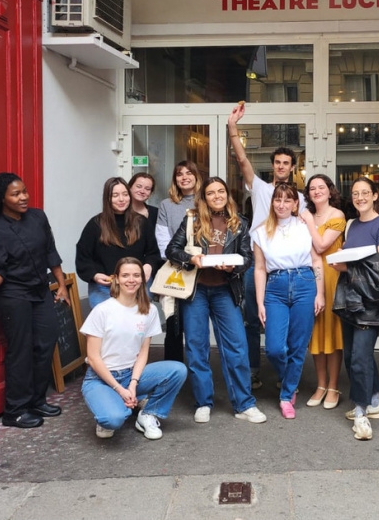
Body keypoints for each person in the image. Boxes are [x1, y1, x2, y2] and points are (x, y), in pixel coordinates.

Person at [0, 173, 68, 429]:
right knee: (21, 350)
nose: (23, 197)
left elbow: (51, 253)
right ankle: (15, 410)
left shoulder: (38, 217)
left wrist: (61, 285)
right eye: (16, 194)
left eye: (24, 191)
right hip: (13, 294)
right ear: (2, 199)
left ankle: (36, 400)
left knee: (46, 342)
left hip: (40, 290)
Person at [166, 177, 267, 425]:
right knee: (197, 346)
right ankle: (203, 402)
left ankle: (244, 403)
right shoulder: (192, 220)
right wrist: (192, 259)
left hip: (225, 290)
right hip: (196, 291)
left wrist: (232, 266)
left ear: (227, 194)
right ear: (204, 198)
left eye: (221, 191)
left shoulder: (240, 223)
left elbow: (246, 258)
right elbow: (172, 250)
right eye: (211, 193)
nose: (217, 196)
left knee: (236, 347)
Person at [228, 102, 306, 389]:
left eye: (286, 163)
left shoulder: (302, 200)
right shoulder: (260, 188)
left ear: (293, 167)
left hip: (287, 269)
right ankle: (253, 370)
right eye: (277, 163)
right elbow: (242, 160)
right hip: (257, 263)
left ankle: (285, 375)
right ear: (273, 166)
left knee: (283, 325)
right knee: (251, 318)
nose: (281, 166)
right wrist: (233, 128)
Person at [79, 257, 187, 440]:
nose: (131, 280)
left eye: (136, 275)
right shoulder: (102, 310)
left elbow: (143, 352)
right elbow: (93, 358)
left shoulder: (149, 310)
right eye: (126, 275)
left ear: (142, 279)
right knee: (114, 419)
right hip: (101, 378)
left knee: (178, 370)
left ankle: (148, 414)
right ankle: (113, 407)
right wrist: (121, 390)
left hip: (131, 373)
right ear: (117, 279)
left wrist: (133, 384)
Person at [252, 183, 325, 420]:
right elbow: (260, 269)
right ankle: (291, 380)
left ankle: (286, 395)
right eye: (277, 200)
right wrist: (260, 302)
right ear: (272, 202)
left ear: (296, 204)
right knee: (274, 348)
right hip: (275, 287)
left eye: (287, 200)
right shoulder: (261, 231)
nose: (281, 205)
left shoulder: (305, 226)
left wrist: (320, 293)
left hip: (305, 283)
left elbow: (316, 260)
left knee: (298, 346)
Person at [331, 177, 379, 440]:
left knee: (359, 357)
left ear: (375, 195)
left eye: (365, 193)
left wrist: (346, 267)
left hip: (369, 302)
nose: (360, 197)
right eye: (356, 194)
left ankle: (361, 412)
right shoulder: (351, 225)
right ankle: (375, 399)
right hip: (349, 299)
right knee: (353, 356)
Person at [76, 177, 160, 309]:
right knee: (107, 327)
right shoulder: (95, 224)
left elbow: (153, 253)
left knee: (137, 327)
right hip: (104, 288)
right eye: (115, 195)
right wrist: (95, 275)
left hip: (137, 286)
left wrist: (149, 266)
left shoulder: (142, 223)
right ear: (107, 198)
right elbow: (83, 257)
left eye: (125, 194)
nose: (121, 199)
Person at [299, 175, 346, 409]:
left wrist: (307, 221)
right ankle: (320, 384)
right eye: (312, 188)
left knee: (333, 333)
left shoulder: (337, 215)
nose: (317, 191)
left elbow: (320, 245)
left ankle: (334, 386)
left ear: (330, 191)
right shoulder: (306, 216)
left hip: (332, 279)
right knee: (316, 332)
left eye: (321, 187)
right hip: (309, 278)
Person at [155, 161, 202, 362]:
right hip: (177, 270)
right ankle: (173, 373)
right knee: (174, 326)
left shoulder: (207, 201)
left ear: (196, 176)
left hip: (204, 272)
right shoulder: (166, 204)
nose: (184, 177)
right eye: (179, 174)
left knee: (197, 327)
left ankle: (198, 372)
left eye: (189, 173)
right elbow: (163, 241)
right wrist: (183, 259)